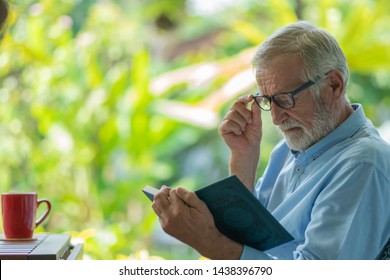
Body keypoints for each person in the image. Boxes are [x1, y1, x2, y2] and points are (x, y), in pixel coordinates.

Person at [152, 22, 390, 260]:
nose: (275, 118)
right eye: (267, 101)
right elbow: (252, 239)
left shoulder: (363, 164)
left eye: (285, 99)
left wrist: (208, 242)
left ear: (334, 85)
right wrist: (243, 159)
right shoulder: (289, 149)